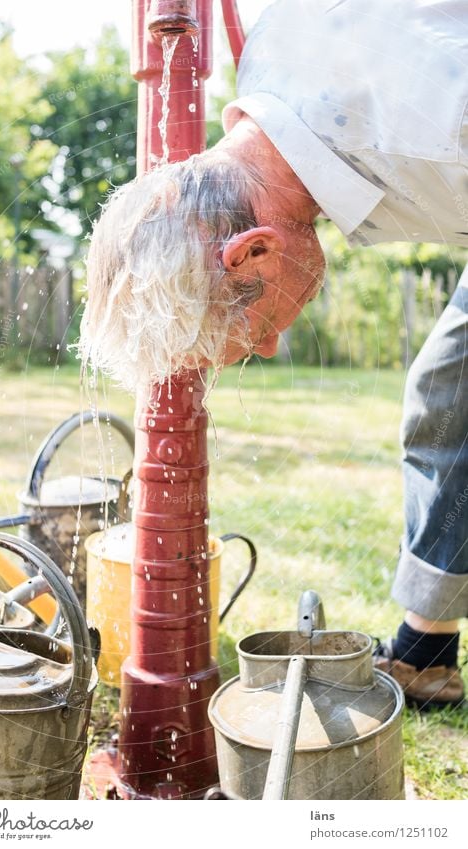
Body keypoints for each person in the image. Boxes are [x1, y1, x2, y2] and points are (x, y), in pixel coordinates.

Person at [80, 0, 468, 708]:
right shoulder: (272, 64)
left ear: (253, 251)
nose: (272, 341)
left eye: (252, 330)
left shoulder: (439, 136)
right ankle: (428, 641)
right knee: (448, 387)